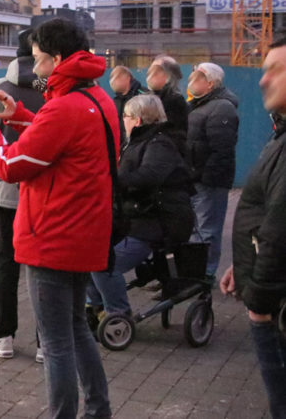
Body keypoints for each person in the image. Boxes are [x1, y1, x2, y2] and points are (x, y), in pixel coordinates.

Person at [0, 18, 113, 418]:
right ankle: (98, 409)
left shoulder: (64, 107)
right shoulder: (96, 99)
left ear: (58, 58)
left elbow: (8, 164)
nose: (35, 69)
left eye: (38, 60)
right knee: (76, 329)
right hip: (83, 233)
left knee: (56, 343)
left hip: (52, 237)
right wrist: (20, 118)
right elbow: (63, 144)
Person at [220, 34, 286, 419]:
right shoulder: (280, 136)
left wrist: (259, 301)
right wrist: (242, 266)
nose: (263, 80)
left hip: (273, 309)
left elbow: (279, 232)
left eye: (276, 71)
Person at [86, 94, 194, 317]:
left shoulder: (160, 143)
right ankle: (95, 305)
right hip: (134, 218)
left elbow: (149, 176)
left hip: (156, 222)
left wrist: (112, 179)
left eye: (124, 115)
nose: (121, 119)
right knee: (87, 253)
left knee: (104, 265)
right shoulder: (139, 142)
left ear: (137, 120)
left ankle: (117, 313)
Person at [0, 29, 46, 360]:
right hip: (45, 185)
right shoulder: (53, 89)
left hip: (7, 184)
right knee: (42, 265)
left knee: (7, 262)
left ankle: (4, 335)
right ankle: (43, 342)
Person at [186, 62, 239, 279]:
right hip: (195, 179)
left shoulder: (221, 107)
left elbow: (222, 150)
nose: (191, 82)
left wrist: (205, 177)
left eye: (197, 78)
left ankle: (205, 275)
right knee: (197, 229)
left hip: (209, 182)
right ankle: (194, 273)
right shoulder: (198, 105)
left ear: (209, 83)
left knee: (207, 230)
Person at [146, 54, 188, 154]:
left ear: (168, 75)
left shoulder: (175, 100)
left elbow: (173, 135)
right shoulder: (148, 98)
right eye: (151, 71)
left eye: (157, 71)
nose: (151, 75)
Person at [109, 65, 146, 142]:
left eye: (117, 77)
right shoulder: (115, 101)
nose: (112, 81)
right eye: (111, 78)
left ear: (128, 78)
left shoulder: (144, 96)